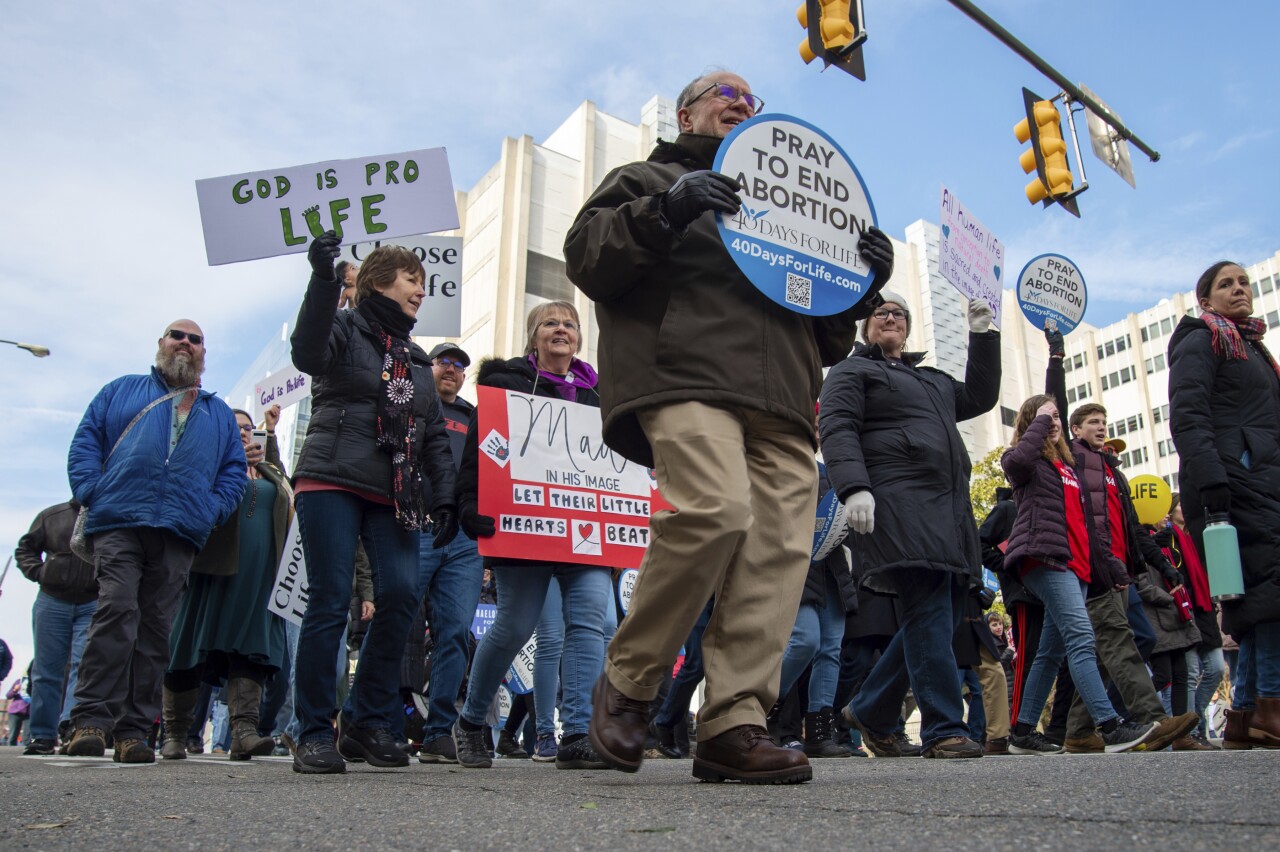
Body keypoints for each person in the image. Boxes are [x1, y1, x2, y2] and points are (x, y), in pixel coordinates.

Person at [566, 69, 888, 785]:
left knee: (777, 551)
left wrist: (856, 283)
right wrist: (665, 211)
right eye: (725, 94)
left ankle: (734, 722)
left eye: (751, 100)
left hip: (782, 394)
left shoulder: (796, 206)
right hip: (685, 371)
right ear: (686, 111)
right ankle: (628, 682)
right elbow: (588, 257)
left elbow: (828, 335)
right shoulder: (644, 176)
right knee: (712, 508)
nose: (741, 104)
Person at [289, 234, 459, 774]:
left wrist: (448, 499)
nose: (420, 290)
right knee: (332, 597)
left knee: (404, 595)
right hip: (332, 478)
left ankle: (366, 724)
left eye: (424, 284)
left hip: (395, 493)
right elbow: (306, 350)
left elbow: (432, 436)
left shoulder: (416, 359)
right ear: (379, 281)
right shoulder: (343, 327)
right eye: (412, 279)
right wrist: (322, 281)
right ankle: (314, 730)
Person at [820, 290, 1001, 760]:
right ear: (866, 325)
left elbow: (981, 395)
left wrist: (983, 333)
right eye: (881, 312)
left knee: (933, 614)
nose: (890, 317)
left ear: (908, 326)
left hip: (947, 511)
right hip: (895, 502)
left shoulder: (932, 380)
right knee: (927, 607)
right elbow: (836, 426)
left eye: (899, 313)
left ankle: (873, 709)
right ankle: (943, 728)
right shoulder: (852, 370)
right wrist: (853, 487)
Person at [65, 319, 246, 762]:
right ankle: (90, 720)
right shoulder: (121, 391)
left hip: (179, 532)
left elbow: (233, 472)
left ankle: (133, 731)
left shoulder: (218, 413)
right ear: (161, 343)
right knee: (116, 611)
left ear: (205, 352)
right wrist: (93, 489)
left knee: (154, 631)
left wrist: (210, 510)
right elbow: (85, 442)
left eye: (195, 339)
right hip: (120, 522)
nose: (185, 343)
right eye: (176, 335)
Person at [452, 300, 613, 771]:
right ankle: (471, 720)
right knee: (515, 626)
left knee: (590, 623)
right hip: (524, 527)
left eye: (569, 324)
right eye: (550, 323)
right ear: (533, 336)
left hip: (583, 529)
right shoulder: (506, 385)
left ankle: (578, 733)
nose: (561, 330)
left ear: (579, 338)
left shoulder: (601, 395)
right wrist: (469, 503)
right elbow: (481, 452)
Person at [1000, 396, 1155, 755]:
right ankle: (1110, 725)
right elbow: (1017, 459)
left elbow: (1087, 528)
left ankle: (1022, 732)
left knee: (1050, 653)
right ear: (1031, 421)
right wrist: (1040, 422)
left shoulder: (1068, 469)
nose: (1053, 422)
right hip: (1046, 560)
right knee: (1083, 639)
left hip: (1079, 567)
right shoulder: (1026, 462)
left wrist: (1113, 567)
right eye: (1045, 417)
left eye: (1056, 416)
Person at [1169, 259, 1280, 748]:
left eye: (1243, 283)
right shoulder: (1203, 338)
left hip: (1262, 478)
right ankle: (1272, 705)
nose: (1239, 290)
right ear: (1205, 299)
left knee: (1259, 597)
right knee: (1273, 592)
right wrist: (1213, 480)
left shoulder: (1252, 347)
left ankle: (1246, 715)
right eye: (1226, 284)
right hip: (1235, 480)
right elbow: (1187, 414)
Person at [161, 404, 291, 761]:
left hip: (259, 576)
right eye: (235, 427)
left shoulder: (270, 474)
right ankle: (174, 732)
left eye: (249, 428)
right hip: (211, 570)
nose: (244, 432)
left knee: (251, 646)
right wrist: (228, 462)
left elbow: (289, 495)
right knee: (191, 642)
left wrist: (271, 435)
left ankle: (244, 732)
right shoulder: (207, 464)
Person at [411, 342, 486, 764]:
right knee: (397, 621)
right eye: (444, 362)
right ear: (431, 368)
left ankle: (439, 731)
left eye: (459, 366)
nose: (452, 370)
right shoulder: (414, 407)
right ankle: (371, 720)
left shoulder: (476, 418)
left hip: (463, 542)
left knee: (455, 633)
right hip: (416, 528)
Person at [15, 499, 98, 755]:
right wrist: (39, 572)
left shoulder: (108, 514)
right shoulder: (51, 515)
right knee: (45, 670)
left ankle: (71, 728)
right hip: (51, 599)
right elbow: (25, 549)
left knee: (82, 667)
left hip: (92, 600)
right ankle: (42, 735)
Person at [1154, 495, 1225, 747]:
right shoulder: (1167, 538)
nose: (1184, 509)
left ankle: (1194, 718)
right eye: (1179, 505)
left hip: (1203, 608)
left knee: (1216, 667)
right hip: (1184, 609)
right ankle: (1191, 729)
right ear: (1170, 512)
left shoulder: (1193, 535)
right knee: (1191, 670)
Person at [6, 674, 31, 745]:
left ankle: (25, 753)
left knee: (27, 737)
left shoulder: (38, 682)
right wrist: (15, 690)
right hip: (15, 712)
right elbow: (8, 695)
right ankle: (9, 754)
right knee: (13, 736)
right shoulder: (20, 681)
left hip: (29, 713)